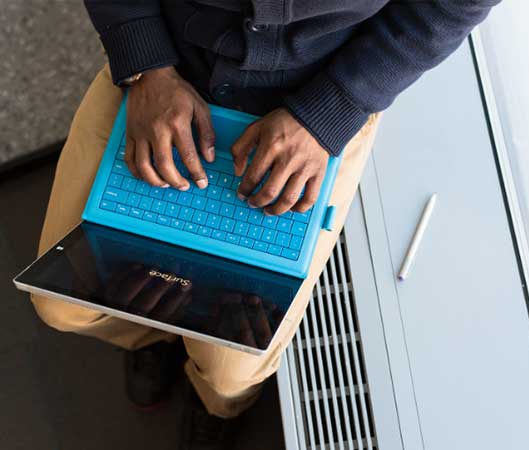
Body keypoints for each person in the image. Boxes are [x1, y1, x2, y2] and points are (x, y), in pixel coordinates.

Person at [31, 1, 500, 448]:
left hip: (316, 103)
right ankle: (153, 334)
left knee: (231, 367)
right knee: (63, 305)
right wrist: (145, 62)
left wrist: (330, 111)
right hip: (166, 63)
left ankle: (217, 405)